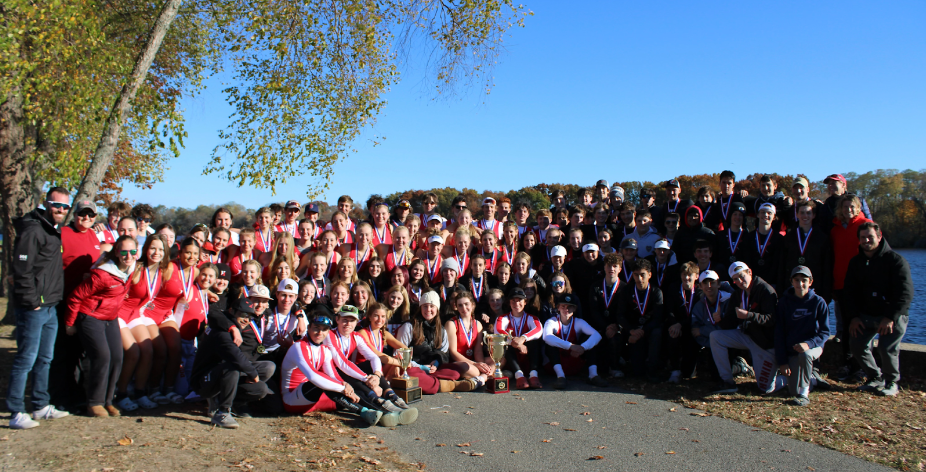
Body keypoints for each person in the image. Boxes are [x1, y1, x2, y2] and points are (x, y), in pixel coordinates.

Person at [7, 187, 71, 429]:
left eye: (65, 207)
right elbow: (21, 270)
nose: (61, 210)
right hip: (34, 308)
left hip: (50, 306)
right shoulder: (33, 229)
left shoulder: (52, 230)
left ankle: (40, 405)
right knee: (25, 359)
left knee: (45, 358)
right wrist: (32, 301)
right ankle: (16, 411)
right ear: (46, 204)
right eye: (57, 205)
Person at [63, 236, 137, 417]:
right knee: (102, 356)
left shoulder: (130, 269)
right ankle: (94, 403)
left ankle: (108, 400)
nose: (129, 256)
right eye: (124, 252)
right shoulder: (102, 274)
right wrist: (70, 323)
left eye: (133, 252)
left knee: (118, 357)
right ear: (116, 253)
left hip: (110, 317)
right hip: (91, 316)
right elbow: (75, 297)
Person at [844, 222, 914, 397]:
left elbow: (905, 294)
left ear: (879, 236)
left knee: (886, 347)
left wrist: (890, 317)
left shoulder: (896, 261)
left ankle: (891, 381)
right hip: (866, 315)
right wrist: (853, 317)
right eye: (863, 238)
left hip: (891, 316)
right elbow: (849, 292)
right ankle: (875, 377)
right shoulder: (856, 262)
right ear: (858, 240)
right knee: (857, 344)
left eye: (870, 237)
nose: (867, 240)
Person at [325, 305, 418, 426]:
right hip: (328, 375)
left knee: (368, 365)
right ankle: (381, 405)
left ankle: (392, 397)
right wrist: (367, 379)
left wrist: (377, 376)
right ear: (337, 320)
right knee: (345, 373)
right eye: (344, 320)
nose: (348, 324)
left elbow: (374, 357)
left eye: (352, 320)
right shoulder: (329, 335)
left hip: (342, 373)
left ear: (356, 321)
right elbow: (342, 363)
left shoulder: (356, 336)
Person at [50, 199, 102, 411]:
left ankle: (79, 395)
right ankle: (60, 398)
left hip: (85, 304)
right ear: (75, 214)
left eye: (91, 215)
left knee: (81, 353)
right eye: (83, 214)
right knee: (63, 353)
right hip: (63, 300)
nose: (87, 218)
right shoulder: (62, 234)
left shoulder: (93, 235)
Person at [190, 298, 275, 429]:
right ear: (232, 311)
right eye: (243, 314)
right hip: (205, 381)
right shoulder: (221, 331)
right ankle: (222, 412)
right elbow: (235, 357)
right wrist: (252, 374)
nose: (246, 319)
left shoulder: (232, 325)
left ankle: (229, 401)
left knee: (264, 379)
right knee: (233, 367)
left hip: (224, 376)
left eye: (250, 316)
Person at [709, 262, 782, 395]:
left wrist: (748, 315)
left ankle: (787, 378)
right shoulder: (737, 295)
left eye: (742, 276)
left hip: (763, 343)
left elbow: (771, 320)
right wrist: (719, 320)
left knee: (765, 389)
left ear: (750, 272)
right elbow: (730, 323)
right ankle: (727, 381)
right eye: (736, 279)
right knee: (716, 336)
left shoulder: (765, 290)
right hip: (747, 336)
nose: (740, 281)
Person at [829, 194, 873, 379]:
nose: (849, 210)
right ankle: (846, 364)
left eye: (852, 207)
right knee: (845, 327)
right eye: (845, 207)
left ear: (858, 207)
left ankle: (862, 366)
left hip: (861, 285)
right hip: (841, 284)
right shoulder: (835, 229)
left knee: (864, 326)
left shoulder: (865, 226)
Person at [775, 266, 831, 406]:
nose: (800, 284)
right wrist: (782, 362)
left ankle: (804, 394)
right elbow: (779, 333)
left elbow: (825, 332)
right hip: (792, 351)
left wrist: (809, 343)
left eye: (804, 280)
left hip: (813, 347)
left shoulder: (819, 302)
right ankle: (812, 380)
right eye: (797, 280)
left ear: (810, 282)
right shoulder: (783, 303)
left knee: (805, 355)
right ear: (791, 281)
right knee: (793, 390)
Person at [616, 259, 664, 382]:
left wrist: (641, 332)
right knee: (637, 372)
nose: (639, 278)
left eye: (642, 274)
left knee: (657, 333)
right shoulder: (626, 291)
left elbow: (658, 317)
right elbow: (620, 315)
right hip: (632, 330)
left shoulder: (656, 292)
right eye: (636, 275)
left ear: (649, 274)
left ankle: (652, 370)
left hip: (648, 330)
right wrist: (631, 330)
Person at [543, 293, 603, 390]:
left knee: (589, 340)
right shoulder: (551, 321)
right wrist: (571, 346)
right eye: (563, 306)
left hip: (574, 363)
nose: (566, 309)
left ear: (575, 309)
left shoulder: (579, 322)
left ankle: (593, 375)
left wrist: (583, 347)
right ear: (558, 308)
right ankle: (560, 377)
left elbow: (597, 335)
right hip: (553, 366)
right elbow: (546, 337)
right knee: (550, 343)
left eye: (570, 307)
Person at [494, 287, 544, 389]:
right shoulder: (502, 318)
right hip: (511, 361)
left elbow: (538, 330)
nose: (516, 303)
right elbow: (498, 331)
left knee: (534, 341)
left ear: (525, 302)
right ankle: (519, 376)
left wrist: (523, 338)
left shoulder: (532, 318)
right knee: (504, 343)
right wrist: (515, 342)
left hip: (528, 357)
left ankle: (534, 375)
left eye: (519, 300)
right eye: (513, 301)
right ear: (509, 303)